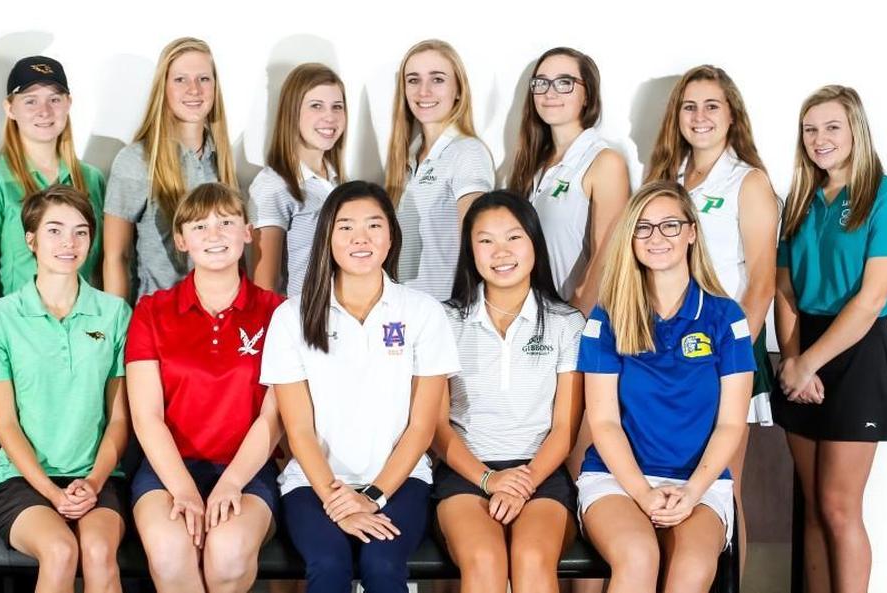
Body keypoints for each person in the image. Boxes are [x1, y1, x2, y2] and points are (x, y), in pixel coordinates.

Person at [260, 181, 460, 593]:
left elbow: (422, 427)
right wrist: (338, 500)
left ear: (391, 237)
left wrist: (372, 496)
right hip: (312, 483)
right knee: (329, 563)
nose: (361, 238)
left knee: (383, 564)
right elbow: (297, 429)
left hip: (400, 481)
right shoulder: (290, 316)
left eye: (374, 225)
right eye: (346, 227)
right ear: (327, 238)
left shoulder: (422, 312)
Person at [577, 180, 754, 593]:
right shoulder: (607, 317)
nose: (656, 237)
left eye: (670, 225)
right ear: (631, 239)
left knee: (690, 569)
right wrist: (641, 492)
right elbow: (603, 422)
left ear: (692, 232)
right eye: (643, 227)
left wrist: (692, 492)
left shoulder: (727, 317)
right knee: (639, 558)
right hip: (617, 479)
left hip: (699, 482)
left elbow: (732, 424)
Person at [773, 85, 887, 593]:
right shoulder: (799, 199)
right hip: (801, 347)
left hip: (856, 350)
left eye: (832, 127)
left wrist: (807, 363)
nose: (819, 139)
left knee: (839, 507)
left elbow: (871, 299)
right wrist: (791, 359)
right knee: (812, 506)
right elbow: (784, 288)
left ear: (856, 129)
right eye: (810, 129)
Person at [645, 65, 779, 567]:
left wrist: (729, 362)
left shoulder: (748, 182)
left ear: (731, 116)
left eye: (712, 106)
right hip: (660, 359)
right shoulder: (665, 180)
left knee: (722, 490)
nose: (699, 117)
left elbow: (762, 282)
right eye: (689, 106)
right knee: (664, 487)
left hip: (723, 359)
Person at [126, 183, 284, 593]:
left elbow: (275, 415)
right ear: (181, 240)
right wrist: (183, 490)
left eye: (226, 223)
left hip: (246, 471)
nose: (214, 235)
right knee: (169, 549)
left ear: (247, 232)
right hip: (168, 471)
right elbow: (146, 417)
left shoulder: (277, 312)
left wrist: (231, 483)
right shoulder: (152, 311)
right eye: (199, 226)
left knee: (227, 552)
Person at [0, 185, 131, 593]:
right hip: (22, 481)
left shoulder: (114, 313)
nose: (69, 243)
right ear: (31, 240)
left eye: (81, 232)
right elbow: (5, 425)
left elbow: (118, 418)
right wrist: (51, 492)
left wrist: (93, 484)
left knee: (97, 551)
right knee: (60, 551)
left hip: (95, 476)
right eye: (55, 231)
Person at [0, 55, 106, 474]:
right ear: (10, 108)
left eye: (54, 99)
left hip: (77, 353)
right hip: (12, 355)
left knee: (79, 471)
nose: (44, 111)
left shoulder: (90, 180)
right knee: (8, 472)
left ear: (69, 104)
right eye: (31, 101)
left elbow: (98, 266)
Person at [433, 191, 585, 593]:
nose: (500, 251)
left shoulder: (566, 322)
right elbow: (436, 427)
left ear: (534, 241)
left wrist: (524, 481)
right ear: (470, 251)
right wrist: (488, 480)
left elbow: (565, 428)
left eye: (513, 237)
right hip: (466, 470)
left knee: (532, 559)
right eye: (485, 240)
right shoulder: (445, 321)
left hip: (542, 472)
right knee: (484, 560)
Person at [104, 37, 237, 301]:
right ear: (163, 87)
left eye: (204, 79)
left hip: (218, 321)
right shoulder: (136, 161)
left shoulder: (222, 159)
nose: (194, 89)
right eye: (180, 79)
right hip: (158, 323)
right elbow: (115, 257)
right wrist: (119, 330)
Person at [508, 47, 630, 316]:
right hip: (532, 320)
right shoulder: (530, 166)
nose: (550, 93)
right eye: (541, 83)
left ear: (588, 95)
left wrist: (573, 323)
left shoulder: (604, 162)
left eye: (565, 83)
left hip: (575, 320)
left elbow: (606, 258)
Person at [385, 39, 495, 300]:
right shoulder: (405, 160)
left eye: (437, 79)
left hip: (446, 312)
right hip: (404, 311)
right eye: (413, 80)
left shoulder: (467, 152)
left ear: (458, 89)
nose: (424, 91)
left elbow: (477, 244)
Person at [249, 63, 346, 296]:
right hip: (299, 326)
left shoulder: (338, 183)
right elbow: (265, 289)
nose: (329, 117)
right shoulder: (273, 186)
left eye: (337, 107)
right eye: (316, 106)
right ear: (293, 112)